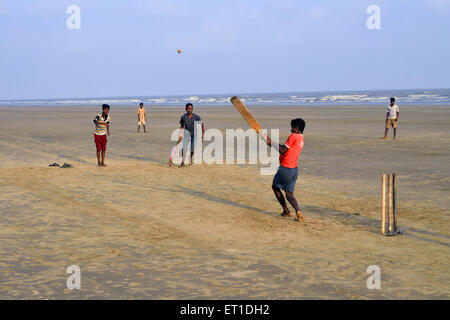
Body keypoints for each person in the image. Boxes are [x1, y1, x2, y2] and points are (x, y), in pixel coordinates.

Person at [260, 118, 305, 223]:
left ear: (296, 128)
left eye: (292, 127)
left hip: (286, 168)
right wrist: (269, 142)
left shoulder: (293, 136)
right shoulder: (301, 139)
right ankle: (298, 210)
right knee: (289, 195)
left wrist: (269, 140)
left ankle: (286, 210)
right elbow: (284, 149)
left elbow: (282, 150)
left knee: (275, 187)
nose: (291, 130)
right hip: (294, 170)